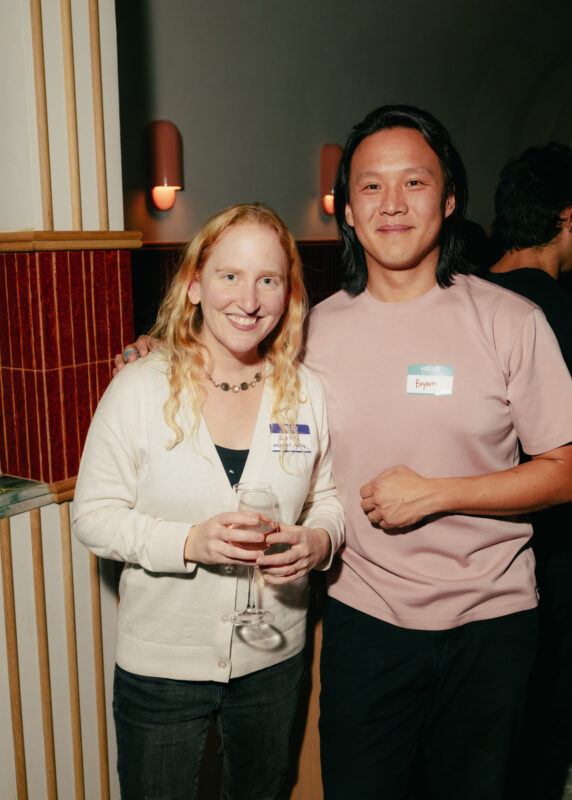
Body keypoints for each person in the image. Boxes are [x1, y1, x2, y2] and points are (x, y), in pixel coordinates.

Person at [118, 106, 572, 800]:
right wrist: (163, 351)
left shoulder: (512, 321)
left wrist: (441, 493)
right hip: (366, 624)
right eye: (370, 187)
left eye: (415, 183)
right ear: (349, 213)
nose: (393, 204)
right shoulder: (311, 332)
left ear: (449, 201)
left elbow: (564, 470)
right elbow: (228, 357)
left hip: (493, 624)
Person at [73, 203, 344, 800]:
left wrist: (319, 541)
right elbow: (92, 515)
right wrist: (186, 542)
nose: (248, 299)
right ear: (194, 283)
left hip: (274, 657)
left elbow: (327, 496)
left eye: (268, 280)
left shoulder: (306, 392)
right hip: (162, 666)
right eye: (230, 276)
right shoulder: (140, 386)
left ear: (289, 294)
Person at [483, 143, 572, 800]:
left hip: (474, 570)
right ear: (567, 218)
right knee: (543, 735)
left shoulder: (457, 298)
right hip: (556, 559)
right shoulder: (558, 313)